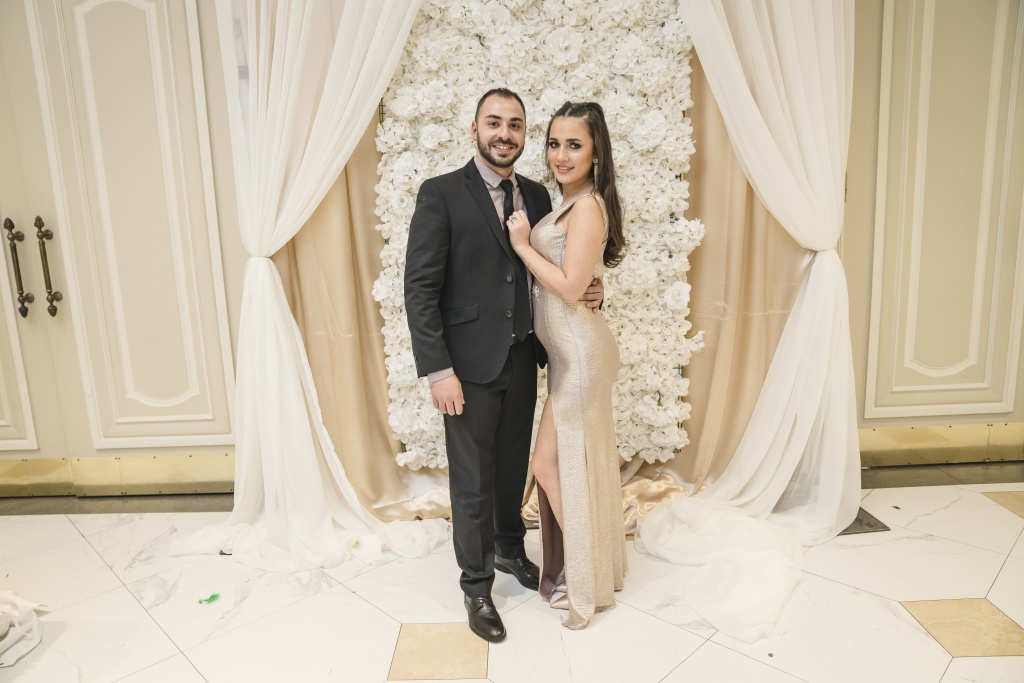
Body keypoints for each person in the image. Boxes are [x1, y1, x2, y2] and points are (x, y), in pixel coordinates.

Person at [404, 89, 604, 643]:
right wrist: (438, 370)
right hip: (466, 367)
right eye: (494, 123)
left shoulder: (538, 194)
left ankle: (510, 549)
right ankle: (476, 585)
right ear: (474, 129)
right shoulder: (441, 193)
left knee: (515, 467)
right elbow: (420, 288)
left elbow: (556, 266)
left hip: (524, 356)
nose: (504, 134)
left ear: (523, 135)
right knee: (473, 480)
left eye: (515, 125)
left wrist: (593, 289)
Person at [506, 101, 627, 630]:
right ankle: (593, 568)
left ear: (596, 152)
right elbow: (582, 280)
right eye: (554, 143)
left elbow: (572, 287)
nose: (561, 155)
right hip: (569, 353)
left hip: (580, 355)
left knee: (549, 465)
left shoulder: (588, 206)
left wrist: (521, 246)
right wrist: (589, 286)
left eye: (574, 145)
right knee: (567, 464)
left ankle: (584, 579)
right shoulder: (570, 204)